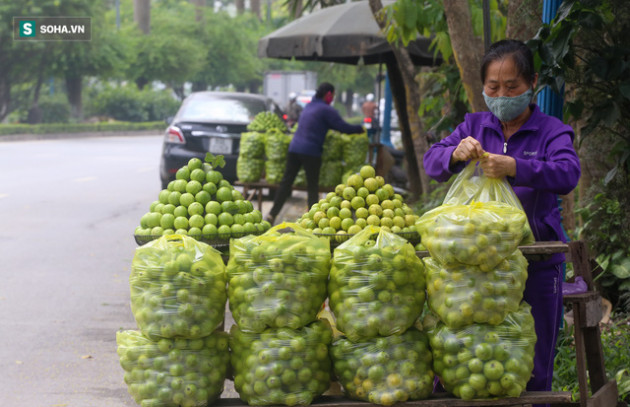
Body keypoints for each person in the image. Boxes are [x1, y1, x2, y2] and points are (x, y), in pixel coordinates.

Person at [423, 39, 581, 403]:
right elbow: (433, 161)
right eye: (493, 87)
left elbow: (568, 173)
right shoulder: (473, 125)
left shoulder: (551, 131)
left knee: (534, 363)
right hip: (476, 270)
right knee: (463, 356)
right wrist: (454, 153)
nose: (502, 95)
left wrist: (516, 167)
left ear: (532, 84)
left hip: (537, 263)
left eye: (512, 87)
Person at [265, 82, 364, 224]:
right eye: (333, 95)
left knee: (286, 183)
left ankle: (272, 214)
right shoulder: (325, 110)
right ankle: (313, 220)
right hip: (310, 151)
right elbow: (342, 126)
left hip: (294, 148)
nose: (333, 98)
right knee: (312, 186)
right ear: (328, 94)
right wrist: (359, 129)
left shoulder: (309, 107)